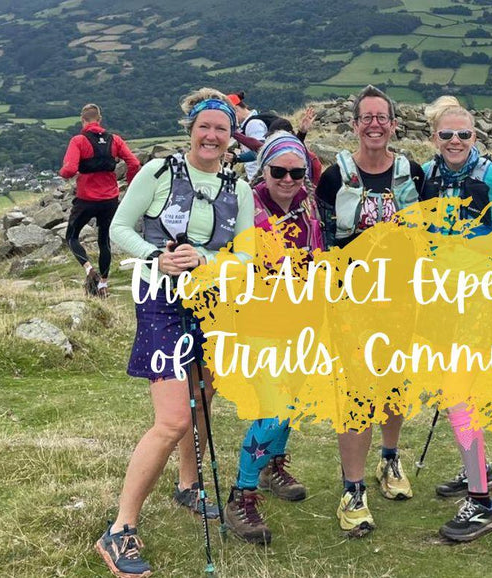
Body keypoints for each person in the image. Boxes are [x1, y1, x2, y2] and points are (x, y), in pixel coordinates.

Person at [97, 88, 254, 577]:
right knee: (172, 420)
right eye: (204, 127)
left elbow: (246, 258)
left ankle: (189, 485)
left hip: (212, 305)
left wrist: (205, 259)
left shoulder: (240, 189)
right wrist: (155, 257)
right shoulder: (158, 172)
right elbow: (119, 228)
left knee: (201, 401)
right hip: (162, 303)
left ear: (231, 138)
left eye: (221, 130)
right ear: (190, 130)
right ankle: (119, 529)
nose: (211, 136)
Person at [315, 84, 428, 534]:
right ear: (355, 124)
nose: (375, 124)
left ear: (394, 124)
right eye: (367, 117)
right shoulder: (333, 176)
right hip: (352, 303)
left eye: (383, 117)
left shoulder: (411, 173)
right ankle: (353, 489)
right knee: (358, 393)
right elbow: (322, 241)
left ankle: (389, 459)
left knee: (396, 386)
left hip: (402, 299)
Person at [419, 96, 492, 542]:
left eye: (464, 134)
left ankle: (482, 503)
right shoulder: (427, 174)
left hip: (482, 302)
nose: (456, 140)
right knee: (454, 391)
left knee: (460, 394)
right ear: (434, 137)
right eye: (447, 134)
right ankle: (478, 468)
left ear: (476, 137)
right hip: (442, 301)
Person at [224, 131, 323, 545]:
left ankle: (271, 467)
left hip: (301, 321)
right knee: (273, 407)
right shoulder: (246, 207)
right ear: (263, 169)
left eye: (296, 171)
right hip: (257, 322)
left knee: (292, 403)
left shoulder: (308, 208)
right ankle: (240, 495)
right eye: (278, 170)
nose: (287, 178)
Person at [59, 104, 141, 297]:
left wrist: (62, 172)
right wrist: (129, 183)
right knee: (104, 241)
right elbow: (134, 163)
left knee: (71, 236)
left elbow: (69, 170)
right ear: (100, 119)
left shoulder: (79, 140)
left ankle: (89, 269)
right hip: (109, 199)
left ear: (83, 120)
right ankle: (103, 285)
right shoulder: (115, 140)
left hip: (86, 198)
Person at [227, 91, 270, 182]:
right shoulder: (249, 123)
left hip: (261, 178)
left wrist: (236, 158)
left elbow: (260, 150)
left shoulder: (253, 124)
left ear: (236, 109)